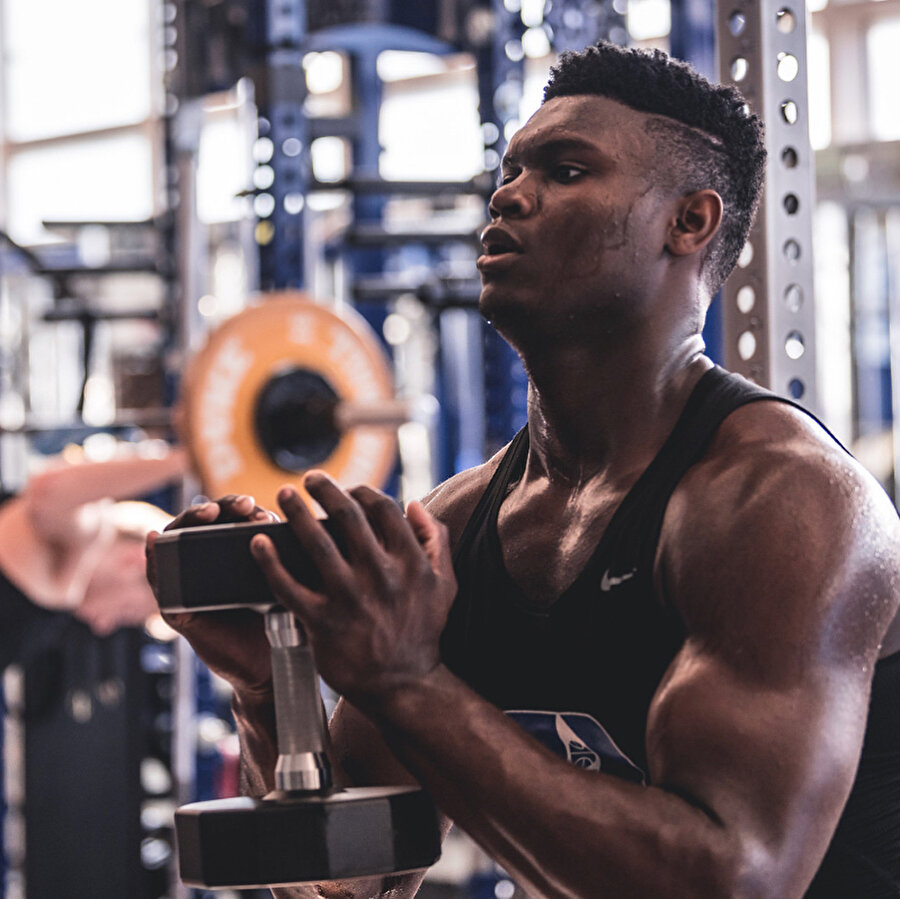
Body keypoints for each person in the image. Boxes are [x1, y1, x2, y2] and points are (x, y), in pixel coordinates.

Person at [149, 42, 900, 898]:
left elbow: (735, 883)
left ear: (688, 223)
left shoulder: (781, 503)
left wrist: (409, 680)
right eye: (511, 169)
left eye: (567, 170)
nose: (508, 193)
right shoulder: (465, 529)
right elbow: (347, 884)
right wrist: (264, 684)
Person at [0, 438, 188, 667]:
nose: (103, 624)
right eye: (127, 612)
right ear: (137, 563)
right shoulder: (84, 539)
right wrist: (186, 461)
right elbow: (48, 490)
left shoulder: (62, 606)